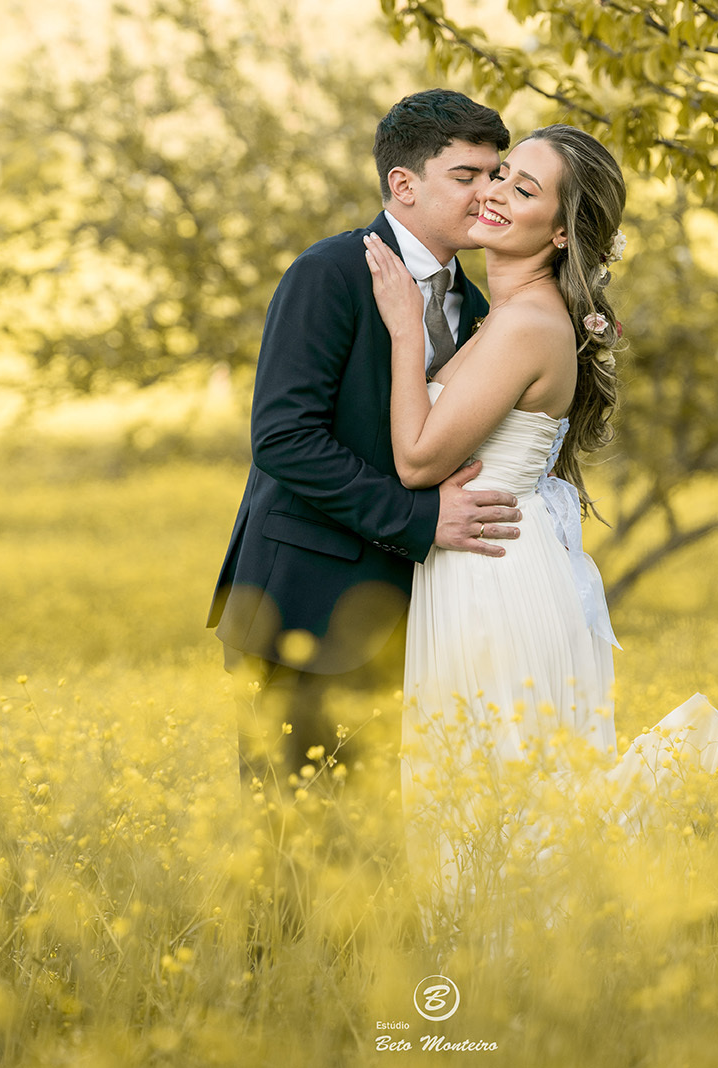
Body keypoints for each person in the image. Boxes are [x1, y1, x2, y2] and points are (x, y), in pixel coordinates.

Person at [364, 124, 718, 901]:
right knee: (492, 796)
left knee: (519, 805)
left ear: (562, 232)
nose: (495, 192)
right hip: (480, 561)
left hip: (495, 577)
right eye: (500, 175)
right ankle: (514, 991)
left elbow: (419, 460)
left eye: (523, 188)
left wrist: (405, 330)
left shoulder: (530, 324)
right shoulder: (508, 318)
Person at [208, 89, 521, 793]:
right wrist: (421, 520)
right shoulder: (329, 274)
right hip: (304, 609)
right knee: (297, 852)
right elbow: (284, 440)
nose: (487, 193)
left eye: (495, 175)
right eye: (466, 176)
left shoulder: (476, 307)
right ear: (402, 185)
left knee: (382, 864)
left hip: (416, 621)